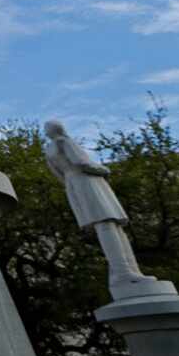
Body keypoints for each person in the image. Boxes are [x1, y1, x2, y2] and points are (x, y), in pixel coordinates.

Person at [43, 120, 153, 292]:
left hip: (73, 184)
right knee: (108, 225)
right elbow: (82, 162)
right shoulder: (64, 142)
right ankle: (124, 272)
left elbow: (58, 174)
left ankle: (129, 271)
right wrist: (104, 169)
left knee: (111, 226)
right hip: (88, 183)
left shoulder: (48, 151)